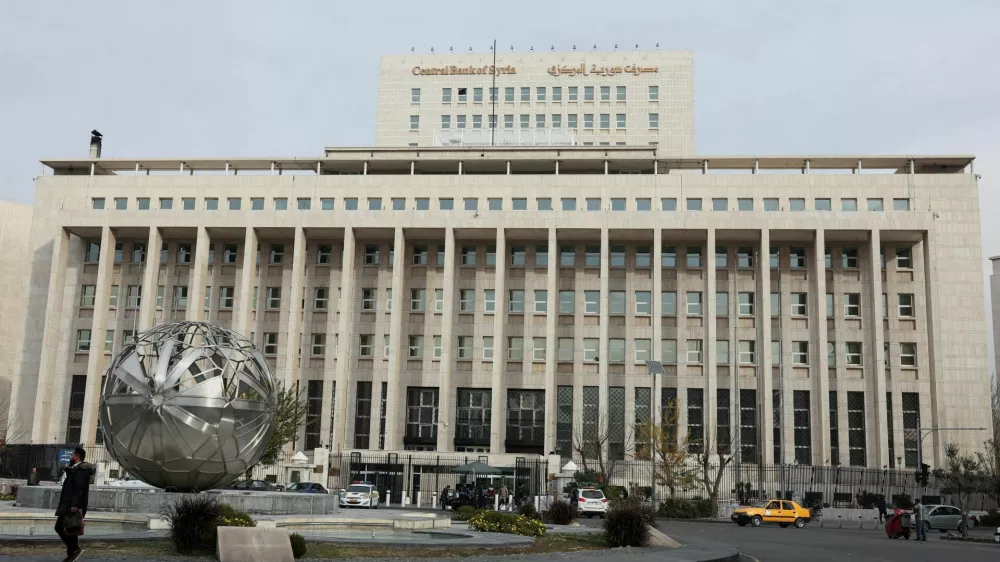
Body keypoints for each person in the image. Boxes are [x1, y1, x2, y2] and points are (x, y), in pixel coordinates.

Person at [55, 447, 93, 562]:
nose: (71, 457)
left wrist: (75, 504)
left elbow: (79, 488)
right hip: (68, 503)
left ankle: (75, 549)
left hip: (72, 505)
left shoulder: (82, 470)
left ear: (77, 456)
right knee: (71, 530)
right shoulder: (77, 469)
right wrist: (69, 470)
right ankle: (71, 554)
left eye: (72, 455)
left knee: (60, 527)